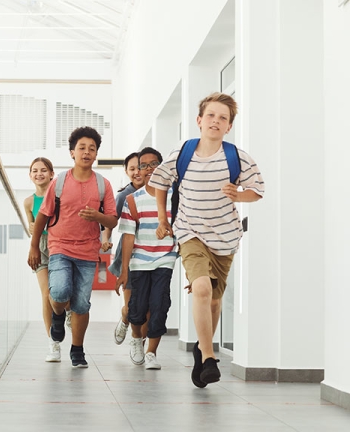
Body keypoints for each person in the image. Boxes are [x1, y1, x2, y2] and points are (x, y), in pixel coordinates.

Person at [149, 92, 264, 387]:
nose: (216, 121)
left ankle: (203, 350)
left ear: (229, 126)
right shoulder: (183, 152)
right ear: (199, 120)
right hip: (190, 232)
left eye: (223, 118)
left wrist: (238, 195)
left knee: (214, 301)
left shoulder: (236, 157)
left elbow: (257, 190)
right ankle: (211, 358)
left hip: (225, 238)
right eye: (211, 115)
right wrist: (163, 218)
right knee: (200, 288)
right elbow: (159, 183)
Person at [28, 127, 118, 368]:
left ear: (96, 154)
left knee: (81, 304)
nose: (87, 152)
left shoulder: (103, 184)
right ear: (72, 153)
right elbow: (43, 216)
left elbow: (112, 219)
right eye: (82, 148)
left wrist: (97, 217)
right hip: (59, 247)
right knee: (57, 293)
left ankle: (77, 350)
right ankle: (58, 315)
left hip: (88, 251)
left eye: (92, 149)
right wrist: (34, 247)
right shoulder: (58, 183)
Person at [115, 147, 177, 370]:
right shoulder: (132, 200)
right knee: (138, 307)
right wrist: (124, 271)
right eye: (144, 165)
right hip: (139, 261)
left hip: (165, 258)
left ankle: (151, 352)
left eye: (154, 164)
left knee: (159, 305)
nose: (149, 169)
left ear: (162, 167)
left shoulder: (175, 197)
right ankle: (136, 339)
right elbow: (128, 238)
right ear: (138, 170)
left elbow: (183, 231)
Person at [23, 157, 63, 362]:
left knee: (61, 293)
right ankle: (53, 343)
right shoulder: (28, 202)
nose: (39, 174)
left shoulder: (59, 195)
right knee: (46, 293)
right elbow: (31, 227)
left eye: (43, 170)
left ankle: (64, 314)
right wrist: (32, 229)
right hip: (40, 248)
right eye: (35, 170)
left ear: (51, 174)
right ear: (30, 175)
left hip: (60, 245)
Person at [110, 152, 145, 345]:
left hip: (150, 254)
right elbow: (111, 221)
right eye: (132, 169)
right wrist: (105, 238)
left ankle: (140, 343)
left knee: (147, 306)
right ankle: (126, 320)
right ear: (126, 171)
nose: (137, 172)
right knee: (132, 306)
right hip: (128, 255)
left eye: (140, 167)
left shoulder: (158, 193)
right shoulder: (124, 196)